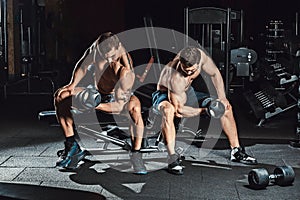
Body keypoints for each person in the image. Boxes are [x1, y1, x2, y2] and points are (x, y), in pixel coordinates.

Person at [149, 46, 257, 175]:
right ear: (181, 64)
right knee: (169, 110)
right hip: (164, 95)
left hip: (188, 92)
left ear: (198, 63)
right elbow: (179, 111)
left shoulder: (200, 56)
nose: (189, 73)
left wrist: (222, 98)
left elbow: (215, 73)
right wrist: (205, 110)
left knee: (224, 108)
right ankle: (172, 158)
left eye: (192, 70)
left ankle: (236, 151)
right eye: (186, 70)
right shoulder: (176, 77)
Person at [54, 32, 147, 174]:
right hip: (97, 92)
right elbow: (83, 66)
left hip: (117, 95)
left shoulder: (124, 67)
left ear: (117, 49)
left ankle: (136, 153)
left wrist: (94, 104)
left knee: (134, 107)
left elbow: (120, 105)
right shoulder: (96, 49)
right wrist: (73, 85)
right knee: (61, 95)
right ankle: (72, 146)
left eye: (111, 56)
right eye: (105, 56)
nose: (108, 59)